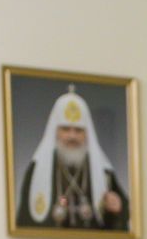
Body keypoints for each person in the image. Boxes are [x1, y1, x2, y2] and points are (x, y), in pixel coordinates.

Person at [15, 89, 129, 231]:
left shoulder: (103, 171)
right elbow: (25, 221)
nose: (72, 136)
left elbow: (122, 214)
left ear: (87, 134)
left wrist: (118, 209)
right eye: (66, 129)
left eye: (78, 130)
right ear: (56, 131)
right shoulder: (36, 169)